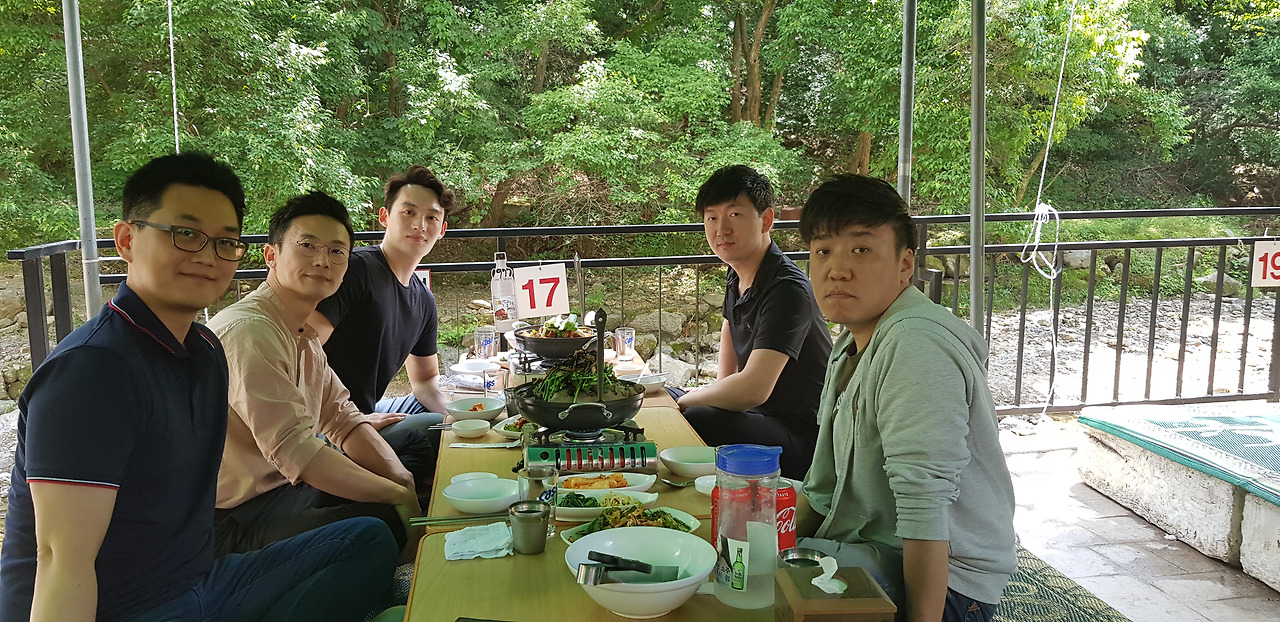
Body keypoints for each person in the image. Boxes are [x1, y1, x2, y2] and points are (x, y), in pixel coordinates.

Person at [0, 152, 396, 621]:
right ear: (126, 240)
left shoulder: (205, 350)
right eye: (185, 235)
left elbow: (336, 418)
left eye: (225, 242)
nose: (207, 257)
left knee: (367, 539)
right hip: (124, 607)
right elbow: (59, 562)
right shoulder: (92, 371)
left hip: (195, 579)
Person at [794, 174, 1016, 622]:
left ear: (904, 264)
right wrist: (763, 543)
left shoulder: (915, 344)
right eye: (823, 251)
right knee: (740, 561)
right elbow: (822, 488)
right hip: (874, 547)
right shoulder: (852, 342)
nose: (837, 269)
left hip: (948, 584)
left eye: (861, 249)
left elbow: (924, 507)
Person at [208, 191, 428, 558]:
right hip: (237, 516)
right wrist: (397, 496)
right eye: (308, 246)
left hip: (289, 487)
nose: (323, 261)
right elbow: (297, 449)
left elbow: (342, 419)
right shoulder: (250, 331)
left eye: (337, 251)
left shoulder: (302, 333)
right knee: (378, 523)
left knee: (414, 448)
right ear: (272, 255)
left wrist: (401, 482)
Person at [675, 164, 831, 479]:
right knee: (665, 396)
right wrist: (700, 395)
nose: (721, 229)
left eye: (734, 214)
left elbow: (753, 389)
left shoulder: (787, 288)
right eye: (712, 217)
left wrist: (691, 399)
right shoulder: (738, 274)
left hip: (802, 437)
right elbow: (729, 332)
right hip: (760, 418)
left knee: (697, 415)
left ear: (766, 220)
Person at [310, 165, 453, 424]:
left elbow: (425, 381)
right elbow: (300, 352)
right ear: (384, 216)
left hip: (368, 411)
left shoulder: (424, 300)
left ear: (442, 230)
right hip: (326, 420)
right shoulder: (354, 270)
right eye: (409, 212)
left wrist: (457, 416)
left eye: (432, 218)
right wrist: (352, 421)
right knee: (428, 429)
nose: (420, 225)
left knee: (451, 414)